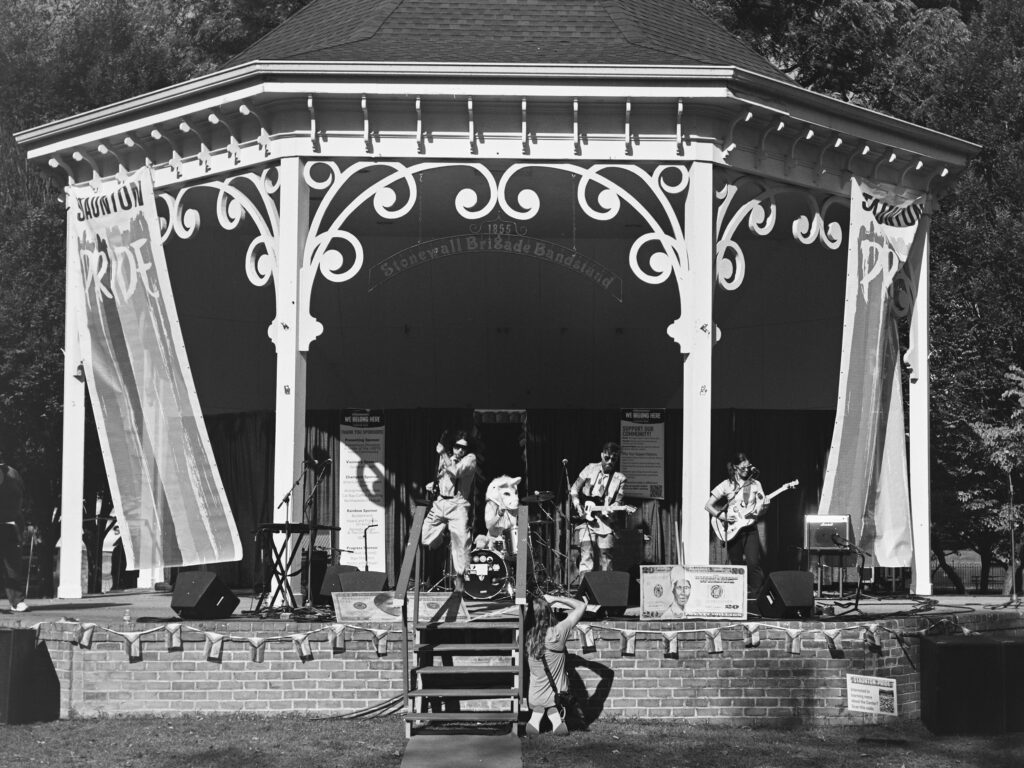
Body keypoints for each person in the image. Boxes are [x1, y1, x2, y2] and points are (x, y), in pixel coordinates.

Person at [705, 452, 769, 599]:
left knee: (753, 564)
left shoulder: (756, 484)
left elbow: (761, 505)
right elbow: (708, 506)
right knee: (737, 564)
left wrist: (761, 508)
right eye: (743, 468)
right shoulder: (727, 484)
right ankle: (737, 598)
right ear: (735, 468)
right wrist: (723, 517)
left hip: (750, 528)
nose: (747, 470)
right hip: (734, 530)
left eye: (748, 467)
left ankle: (756, 598)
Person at [422, 431, 477, 592]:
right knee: (425, 538)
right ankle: (443, 536)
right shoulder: (446, 458)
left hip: (458, 505)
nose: (459, 450)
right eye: (457, 446)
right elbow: (442, 476)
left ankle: (460, 580)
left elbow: (456, 472)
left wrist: (444, 454)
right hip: (440, 503)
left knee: (460, 546)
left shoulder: (470, 459)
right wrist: (434, 484)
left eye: (463, 448)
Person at [525, 592, 587, 735]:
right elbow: (581, 606)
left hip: (535, 694)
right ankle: (557, 723)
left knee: (540, 704)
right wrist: (556, 599)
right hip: (557, 692)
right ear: (548, 611)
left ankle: (535, 722)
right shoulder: (558, 632)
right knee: (552, 701)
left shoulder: (525, 636)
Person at [570, 442, 627, 575]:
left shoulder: (620, 479)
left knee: (606, 558)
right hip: (585, 520)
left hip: (606, 522)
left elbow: (618, 502)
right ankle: (583, 592)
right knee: (586, 554)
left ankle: (605, 592)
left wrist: (613, 508)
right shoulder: (590, 468)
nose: (610, 462)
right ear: (602, 455)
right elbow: (574, 489)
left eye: (613, 459)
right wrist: (578, 505)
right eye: (607, 458)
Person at [0, 461, 29, 612]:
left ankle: (17, 601)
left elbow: (20, 497)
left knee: (13, 565)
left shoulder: (12, 473)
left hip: (10, 524)